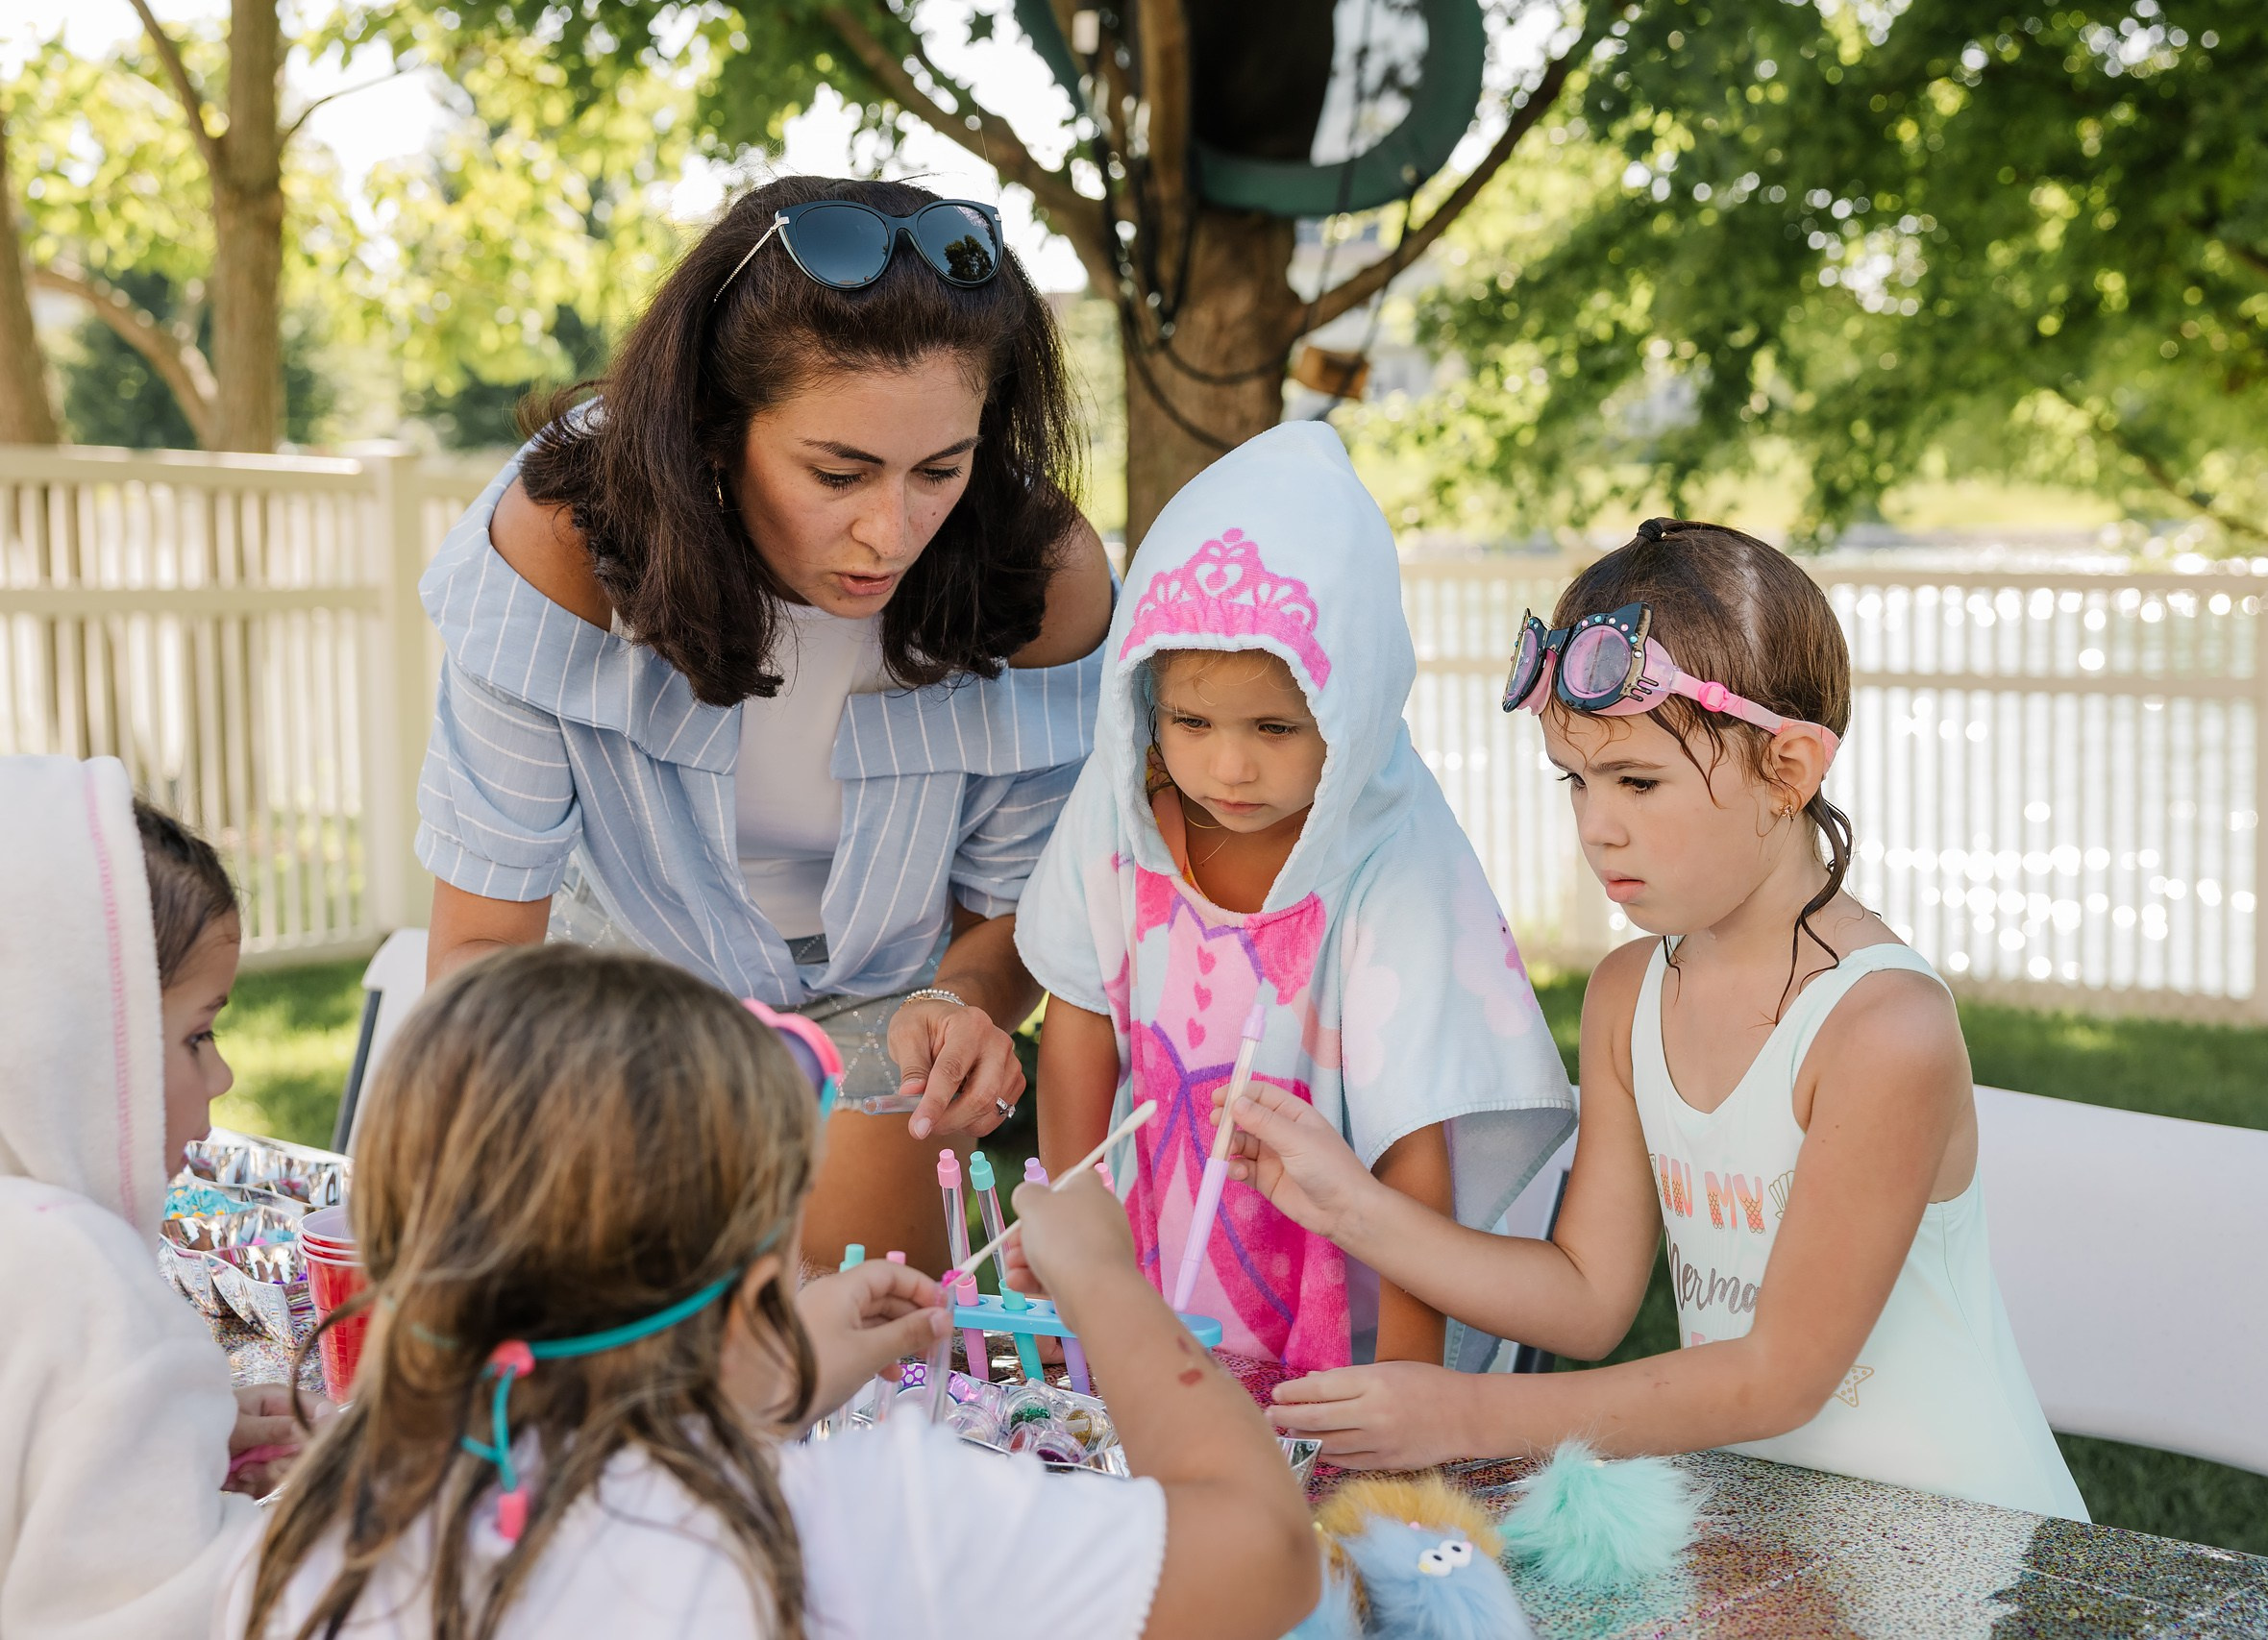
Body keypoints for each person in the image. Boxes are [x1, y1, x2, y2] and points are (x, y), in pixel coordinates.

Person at [1221, 520, 2089, 1520]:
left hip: (1966, 1533)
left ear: (1791, 769)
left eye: (1638, 781)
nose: (1598, 825)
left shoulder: (1881, 1027)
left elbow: (1778, 1377)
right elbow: (1587, 1298)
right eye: (1576, 781)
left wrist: (1468, 1414)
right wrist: (1346, 1207)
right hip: (1775, 1526)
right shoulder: (1630, 991)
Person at [414, 176, 1113, 1273]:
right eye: (838, 472)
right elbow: (481, 951)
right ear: (711, 428)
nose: (891, 532)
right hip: (609, 997)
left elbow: (1010, 913)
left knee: (858, 1367)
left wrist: (958, 1004)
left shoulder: (1041, 574)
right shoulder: (563, 541)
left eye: (941, 469)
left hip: (894, 1005)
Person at [221, 944, 1318, 1640]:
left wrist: (759, 1384)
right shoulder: (846, 1526)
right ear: (747, 1284)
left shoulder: (327, 1527)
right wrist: (1111, 1286)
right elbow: (1265, 1558)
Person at [1020, 424, 1575, 1373]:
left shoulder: (1394, 857)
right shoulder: (1121, 806)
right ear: (1143, 701)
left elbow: (1417, 1130)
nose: (1227, 766)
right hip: (1165, 1251)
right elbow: (1078, 1010)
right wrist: (1076, 1229)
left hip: (1360, 1294)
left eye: (1276, 725)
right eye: (1190, 721)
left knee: (1325, 1477)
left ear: (1349, 711)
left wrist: (1408, 1389)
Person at [0, 756, 314, 1639]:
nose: (221, 1073)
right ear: (71, 1042)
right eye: (198, 1033)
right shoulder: (79, 1277)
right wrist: (357, 1495)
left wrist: (178, 1443)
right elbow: (193, 1611)